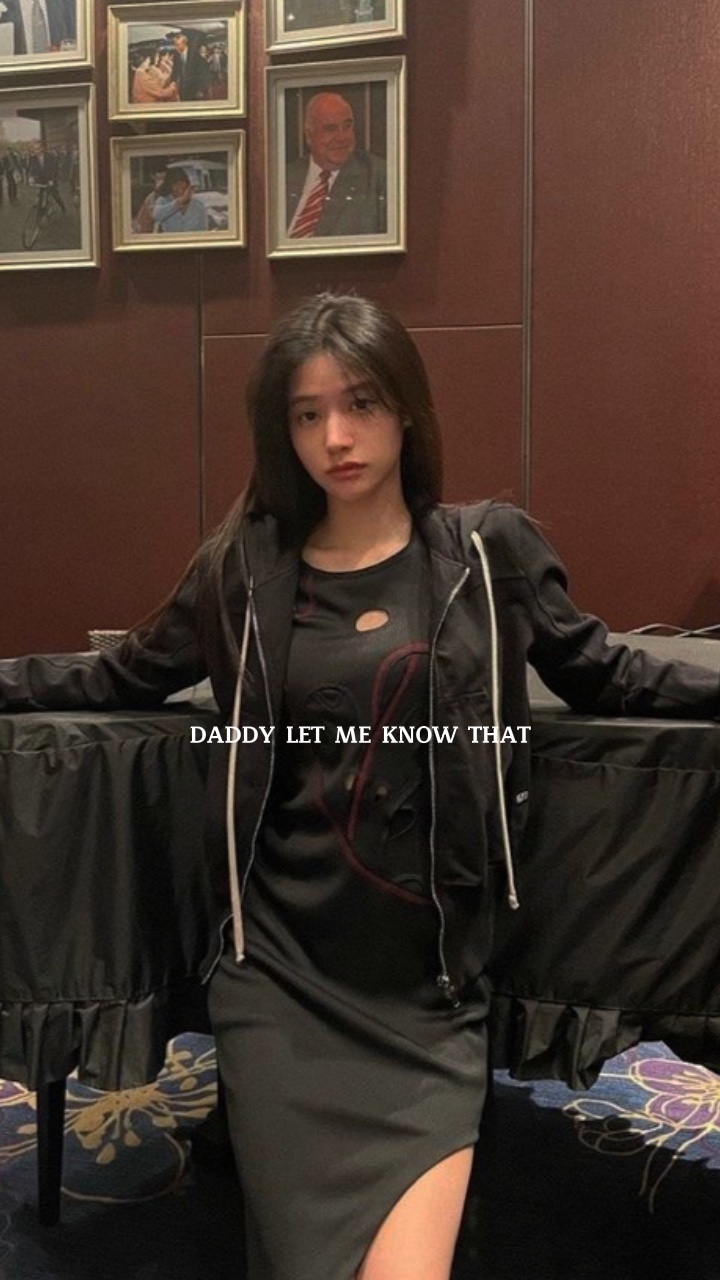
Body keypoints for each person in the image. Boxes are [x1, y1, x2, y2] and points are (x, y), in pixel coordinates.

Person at [0, 293, 718, 1279]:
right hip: (282, 975)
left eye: (361, 403)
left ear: (407, 409)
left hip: (429, 985)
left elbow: (605, 671)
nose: (335, 436)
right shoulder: (243, 570)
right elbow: (118, 676)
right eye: (307, 414)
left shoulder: (486, 552)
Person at [286, 92, 387, 237]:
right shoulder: (283, 177)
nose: (342, 137)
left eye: (347, 126)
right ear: (309, 135)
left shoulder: (379, 177)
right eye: (330, 129)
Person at [152, 167, 208, 233]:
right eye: (176, 188)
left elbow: (204, 230)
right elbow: (157, 215)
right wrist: (180, 202)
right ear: (169, 186)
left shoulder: (199, 205)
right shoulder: (163, 201)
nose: (180, 191)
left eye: (183, 188)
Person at [28, 139, 65, 215]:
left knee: (55, 195)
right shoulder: (32, 158)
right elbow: (32, 169)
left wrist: (51, 180)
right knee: (40, 197)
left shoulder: (50, 156)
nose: (36, 151)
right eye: (35, 149)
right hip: (41, 180)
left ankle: (62, 207)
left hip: (51, 179)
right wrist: (31, 177)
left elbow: (54, 169)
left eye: (38, 149)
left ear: (42, 148)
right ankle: (39, 215)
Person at [131, 164, 168, 234]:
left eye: (164, 179)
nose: (161, 182)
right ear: (154, 179)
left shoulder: (175, 197)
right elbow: (142, 225)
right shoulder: (150, 198)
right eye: (158, 179)